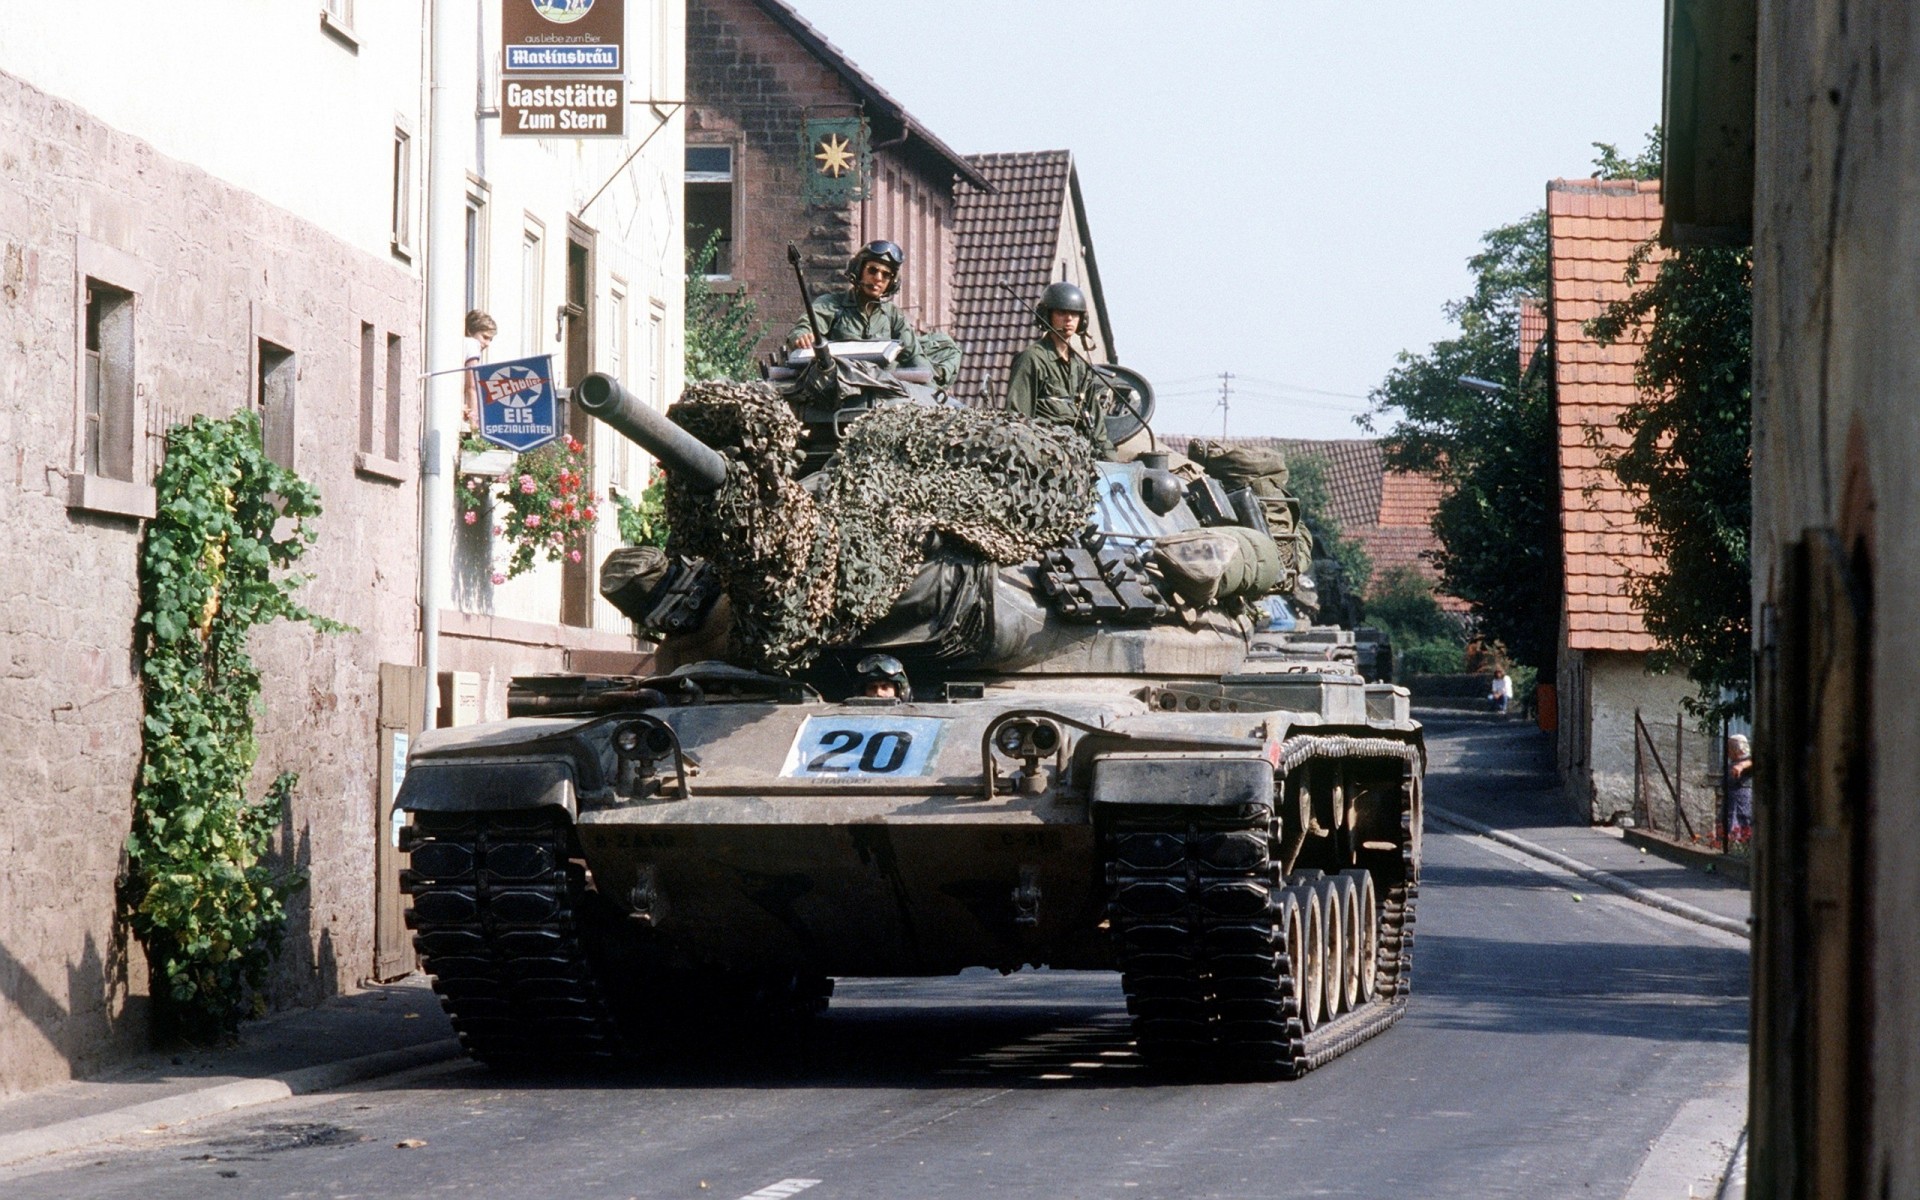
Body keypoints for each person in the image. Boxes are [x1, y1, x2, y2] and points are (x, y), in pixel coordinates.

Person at [1005, 281, 1116, 458]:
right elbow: (1017, 419)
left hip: (1080, 454)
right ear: (1047, 315)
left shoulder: (1081, 366)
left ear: (1082, 320)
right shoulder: (1032, 359)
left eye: (1075, 313)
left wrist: (1112, 460)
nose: (1069, 319)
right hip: (1045, 454)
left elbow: (1098, 429)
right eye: (1062, 312)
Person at [788, 240, 926, 369]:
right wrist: (804, 337)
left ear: (892, 282)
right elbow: (804, 328)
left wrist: (929, 383)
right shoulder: (832, 304)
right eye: (872, 270)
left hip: (883, 384)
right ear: (859, 271)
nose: (878, 278)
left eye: (886, 275)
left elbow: (915, 357)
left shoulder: (893, 316)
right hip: (841, 381)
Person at [461, 309, 497, 430]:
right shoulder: (472, 344)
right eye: (485, 337)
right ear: (470, 331)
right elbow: (471, 386)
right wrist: (474, 424)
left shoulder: (459, 344)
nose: (487, 344)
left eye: (490, 339)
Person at [1725, 733, 1754, 840]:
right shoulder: (1733, 762)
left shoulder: (1747, 760)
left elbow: (1752, 762)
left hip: (1741, 803)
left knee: (1742, 827)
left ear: (1737, 748)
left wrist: (1741, 766)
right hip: (1731, 803)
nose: (1727, 750)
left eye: (1729, 747)